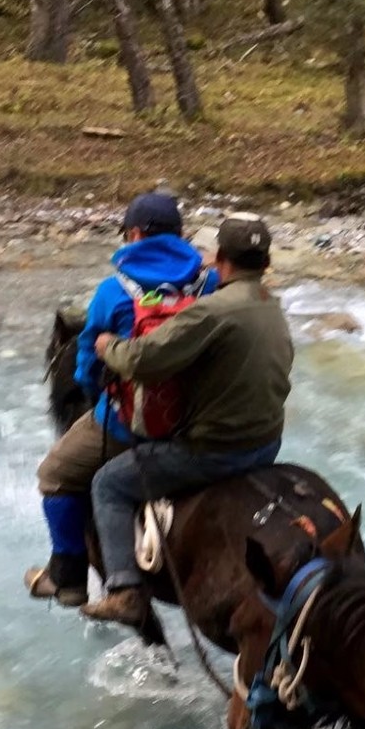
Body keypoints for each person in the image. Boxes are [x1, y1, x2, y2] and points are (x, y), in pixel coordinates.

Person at [81, 213, 292, 627]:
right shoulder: (272, 305)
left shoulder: (211, 312)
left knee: (107, 484)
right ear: (265, 264)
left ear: (220, 259)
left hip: (214, 452)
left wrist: (108, 346)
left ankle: (124, 590)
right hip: (267, 443)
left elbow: (145, 361)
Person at [25, 193, 215, 607]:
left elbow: (86, 367)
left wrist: (100, 403)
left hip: (131, 425)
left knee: (54, 475)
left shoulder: (114, 291)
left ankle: (70, 577)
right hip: (203, 421)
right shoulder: (211, 283)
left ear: (133, 234)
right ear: (180, 235)